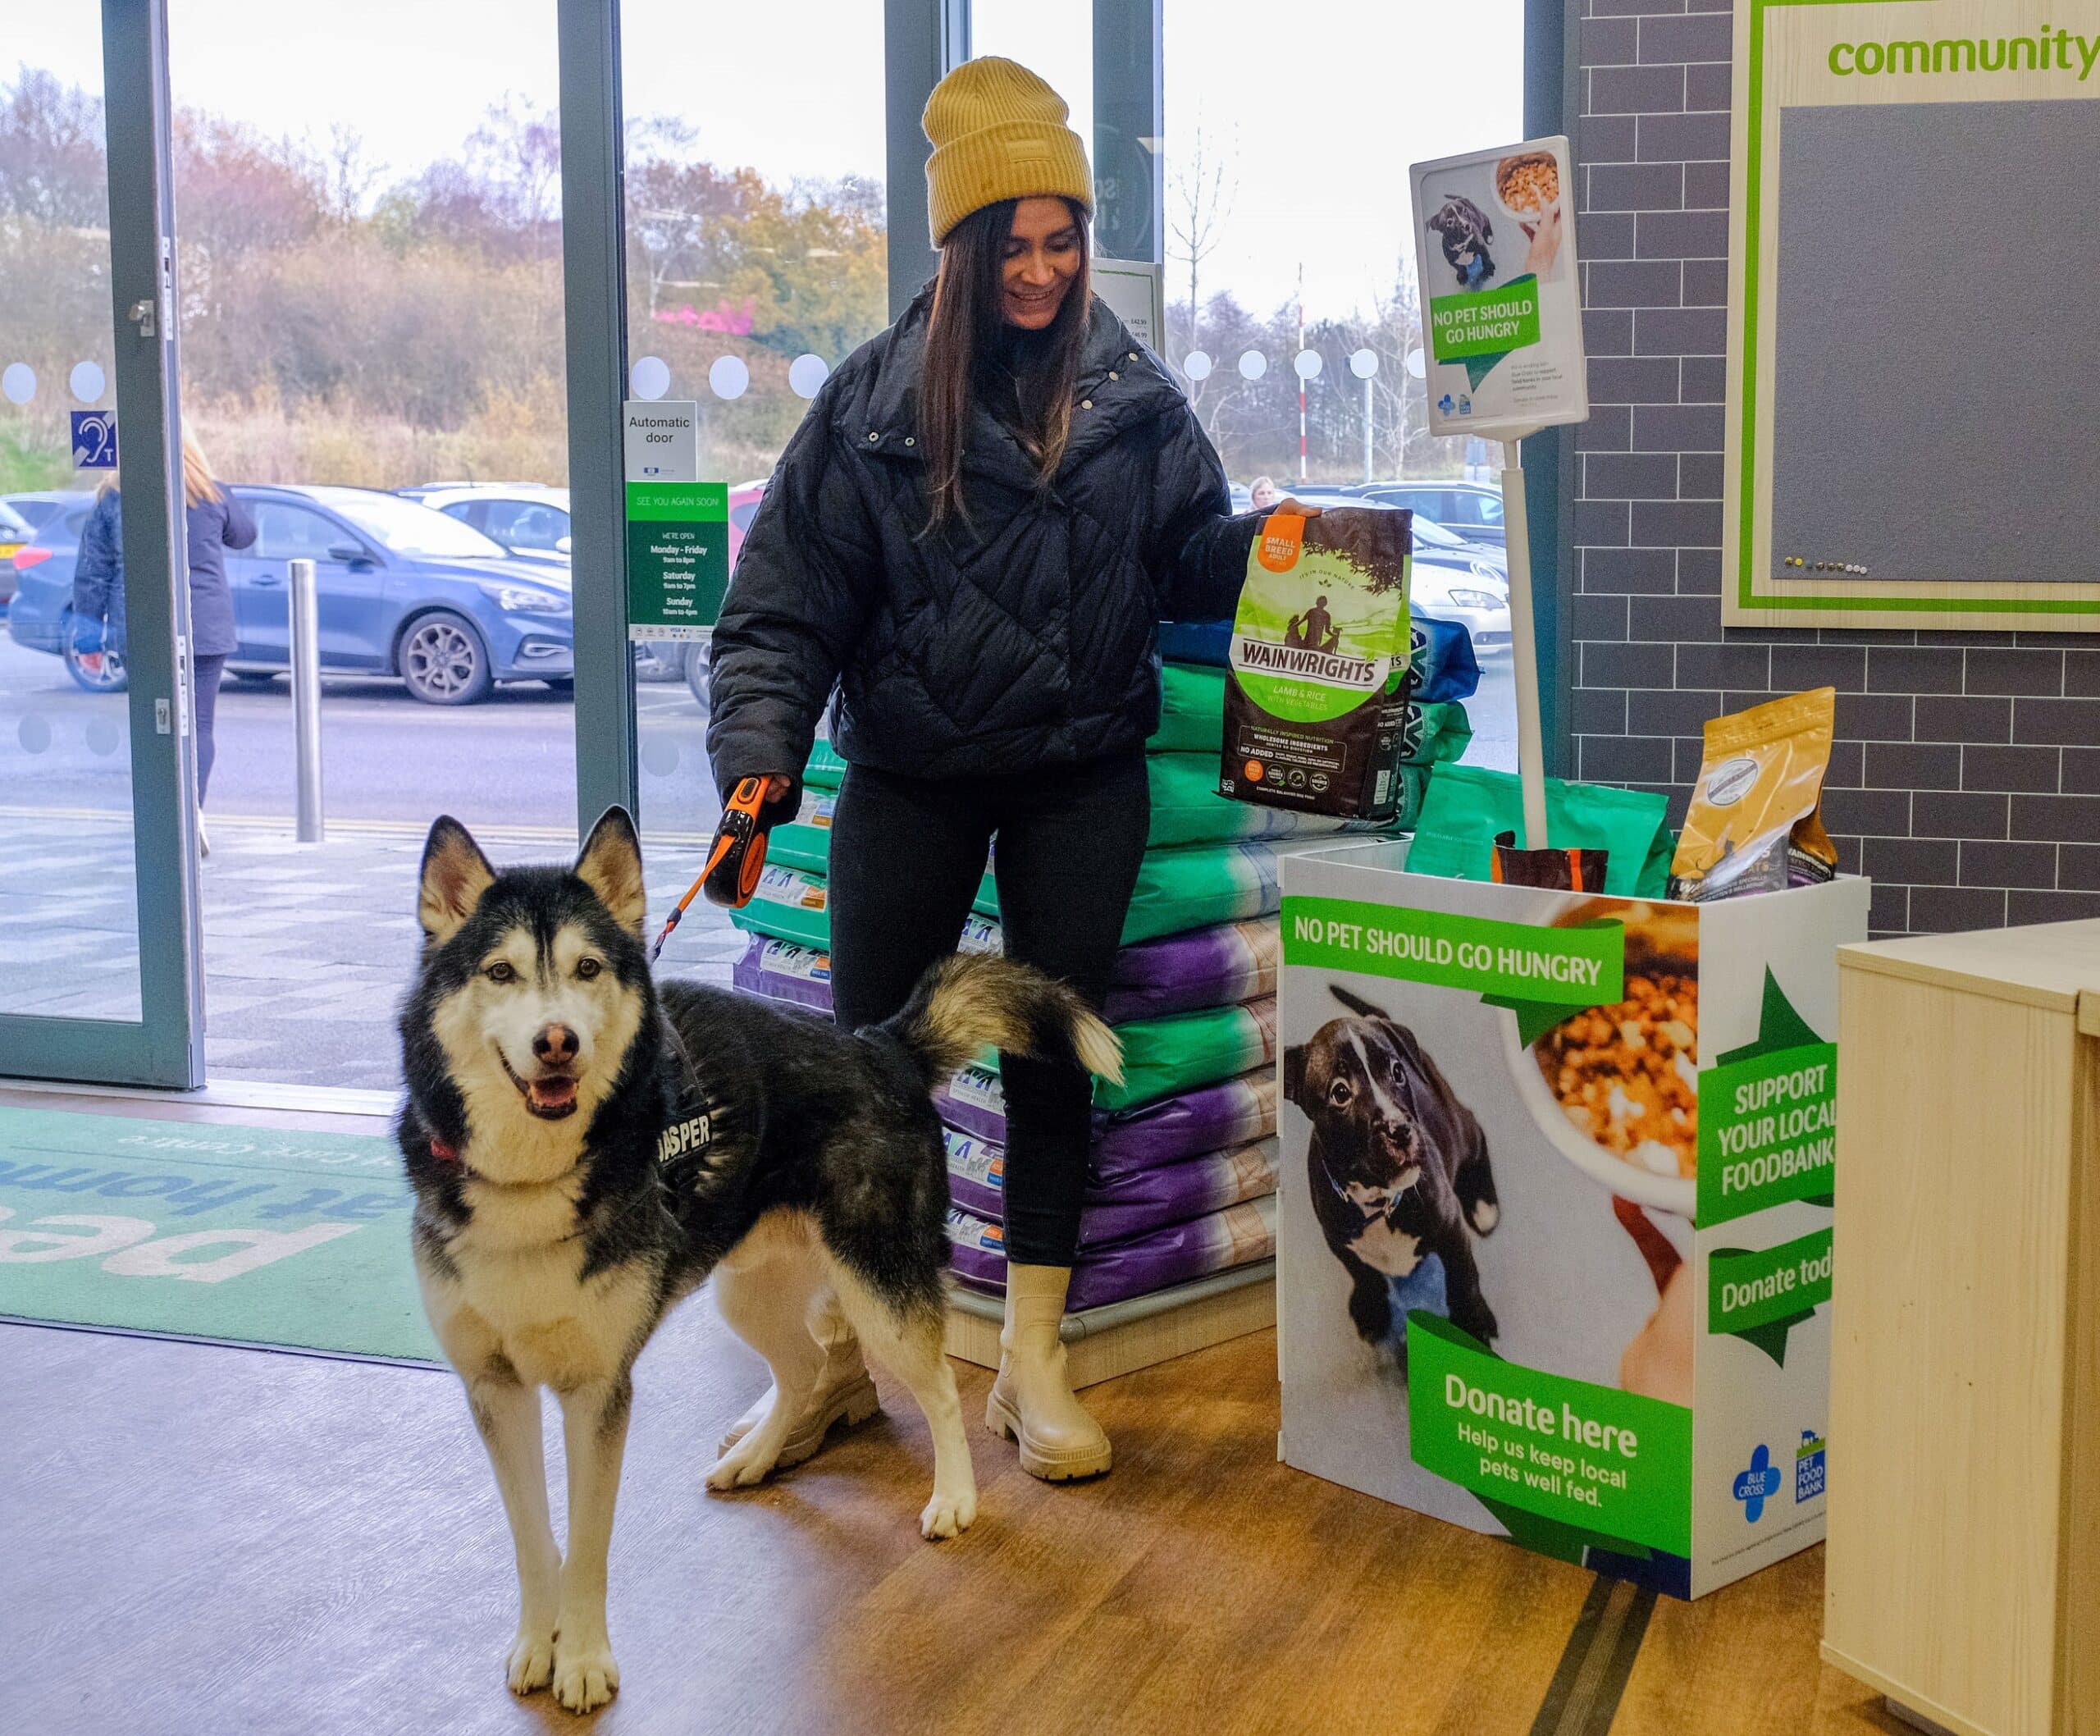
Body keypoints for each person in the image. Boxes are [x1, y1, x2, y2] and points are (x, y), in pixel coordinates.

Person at [707, 56, 1255, 1482]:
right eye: (1012, 243)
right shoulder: (873, 405)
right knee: (862, 1082)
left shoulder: (1134, 397)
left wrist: (1283, 549)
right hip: (912, 777)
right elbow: (782, 610)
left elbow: (1191, 559)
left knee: (1052, 1059)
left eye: (1062, 238)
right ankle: (835, 1364)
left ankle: (1032, 1361)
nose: (1042, 269)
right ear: (960, 248)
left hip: (1081, 775)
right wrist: (759, 763)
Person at [72, 432, 257, 856]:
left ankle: (162, 820)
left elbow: (93, 570)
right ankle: (192, 814)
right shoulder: (209, 493)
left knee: (154, 726)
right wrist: (212, 488)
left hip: (143, 627)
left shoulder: (115, 497)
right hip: (205, 627)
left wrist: (88, 638)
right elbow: (245, 534)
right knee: (199, 726)